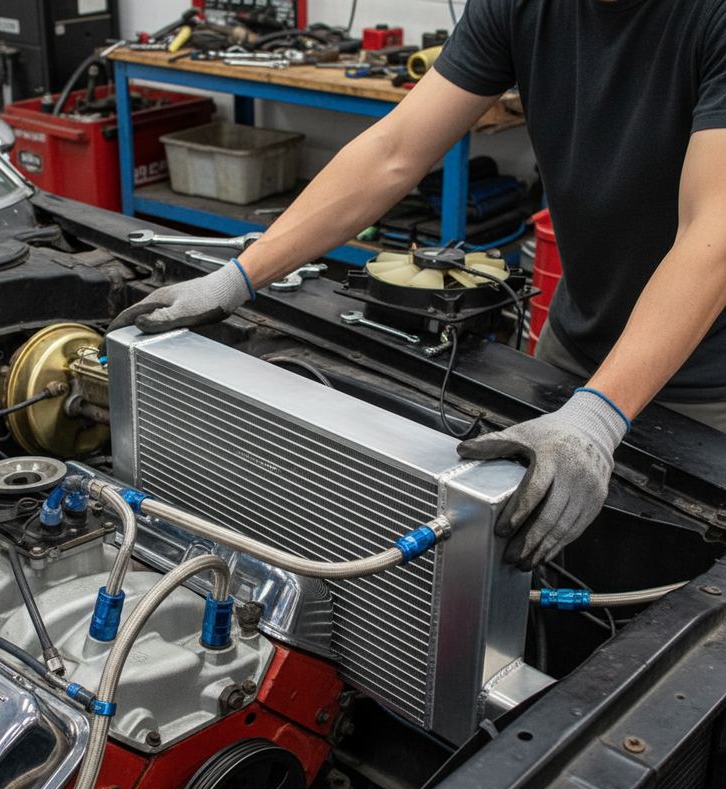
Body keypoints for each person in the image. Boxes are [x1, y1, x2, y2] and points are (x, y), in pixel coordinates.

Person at [112, 0, 726, 571]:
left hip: (709, 389)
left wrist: (598, 417)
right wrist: (237, 277)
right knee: (542, 572)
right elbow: (393, 151)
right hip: (578, 343)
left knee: (669, 597)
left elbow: (713, 233)